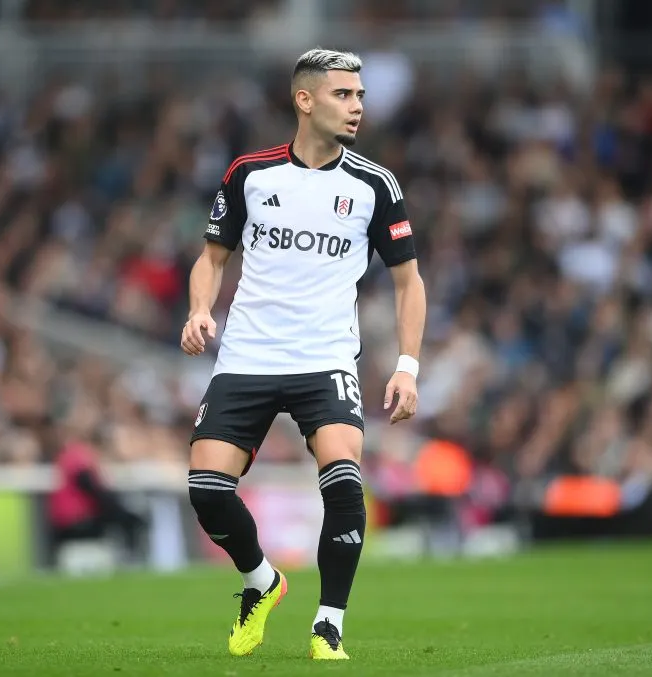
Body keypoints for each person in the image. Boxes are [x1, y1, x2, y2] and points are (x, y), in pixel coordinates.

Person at [181, 48, 426, 660]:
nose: (357, 107)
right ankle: (261, 582)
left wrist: (407, 365)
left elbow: (408, 282)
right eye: (344, 95)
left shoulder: (375, 185)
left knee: (343, 477)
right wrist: (199, 309)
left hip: (325, 358)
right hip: (247, 357)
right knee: (207, 490)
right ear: (305, 100)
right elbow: (212, 257)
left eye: (361, 96)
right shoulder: (250, 175)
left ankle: (329, 624)